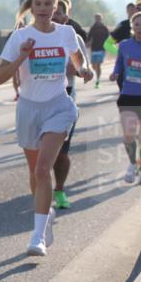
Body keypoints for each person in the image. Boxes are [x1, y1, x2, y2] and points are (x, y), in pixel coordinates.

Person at [0, 0, 91, 257]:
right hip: (28, 108)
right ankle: (45, 214)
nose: (43, 9)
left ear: (56, 6)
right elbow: (0, 77)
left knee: (42, 170)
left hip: (58, 106)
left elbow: (77, 59)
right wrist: (22, 57)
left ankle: (37, 237)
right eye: (38, 4)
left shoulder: (66, 32)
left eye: (48, 4)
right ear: (31, 6)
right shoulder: (19, 38)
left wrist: (83, 70)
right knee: (34, 173)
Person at [110, 11, 141, 185]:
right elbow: (119, 63)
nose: (139, 27)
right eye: (136, 24)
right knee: (129, 135)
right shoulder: (124, 45)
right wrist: (115, 73)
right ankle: (131, 164)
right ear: (132, 27)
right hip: (128, 95)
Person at [51, 32, 93, 209]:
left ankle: (59, 190)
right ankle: (41, 199)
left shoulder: (72, 38)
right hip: (37, 99)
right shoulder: (31, 36)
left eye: (59, 13)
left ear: (65, 16)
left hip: (65, 96)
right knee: (38, 155)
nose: (55, 17)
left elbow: (84, 68)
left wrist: (80, 70)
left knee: (60, 153)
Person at [86, 13, 110, 88]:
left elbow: (108, 38)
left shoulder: (104, 28)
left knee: (98, 65)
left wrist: (109, 46)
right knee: (93, 65)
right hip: (94, 49)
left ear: (101, 19)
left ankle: (98, 80)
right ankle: (96, 73)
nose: (97, 19)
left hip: (102, 49)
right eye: (96, 18)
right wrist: (88, 43)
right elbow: (89, 37)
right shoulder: (93, 27)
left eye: (99, 18)